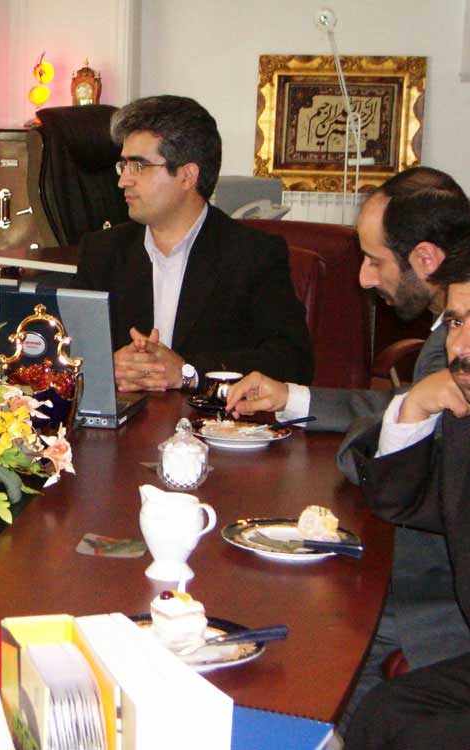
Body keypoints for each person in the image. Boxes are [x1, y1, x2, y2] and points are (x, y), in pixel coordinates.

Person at [224, 167, 470, 731]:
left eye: (374, 260)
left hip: (426, 598)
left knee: (289, 644)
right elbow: (396, 407)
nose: (361, 278)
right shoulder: (448, 335)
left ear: (426, 259)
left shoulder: (457, 352)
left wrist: (385, 424)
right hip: (411, 560)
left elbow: (382, 450)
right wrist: (296, 398)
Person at [72, 94, 313, 393]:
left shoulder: (252, 254)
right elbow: (65, 347)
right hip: (125, 418)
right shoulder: (102, 251)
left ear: (187, 176)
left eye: (139, 166)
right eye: (124, 166)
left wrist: (188, 372)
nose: (123, 181)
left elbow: (293, 361)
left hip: (210, 419)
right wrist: (105, 365)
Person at [345, 244, 470, 750]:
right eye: (457, 322)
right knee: (380, 714)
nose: (462, 346)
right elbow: (402, 503)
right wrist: (414, 405)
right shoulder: (463, 409)